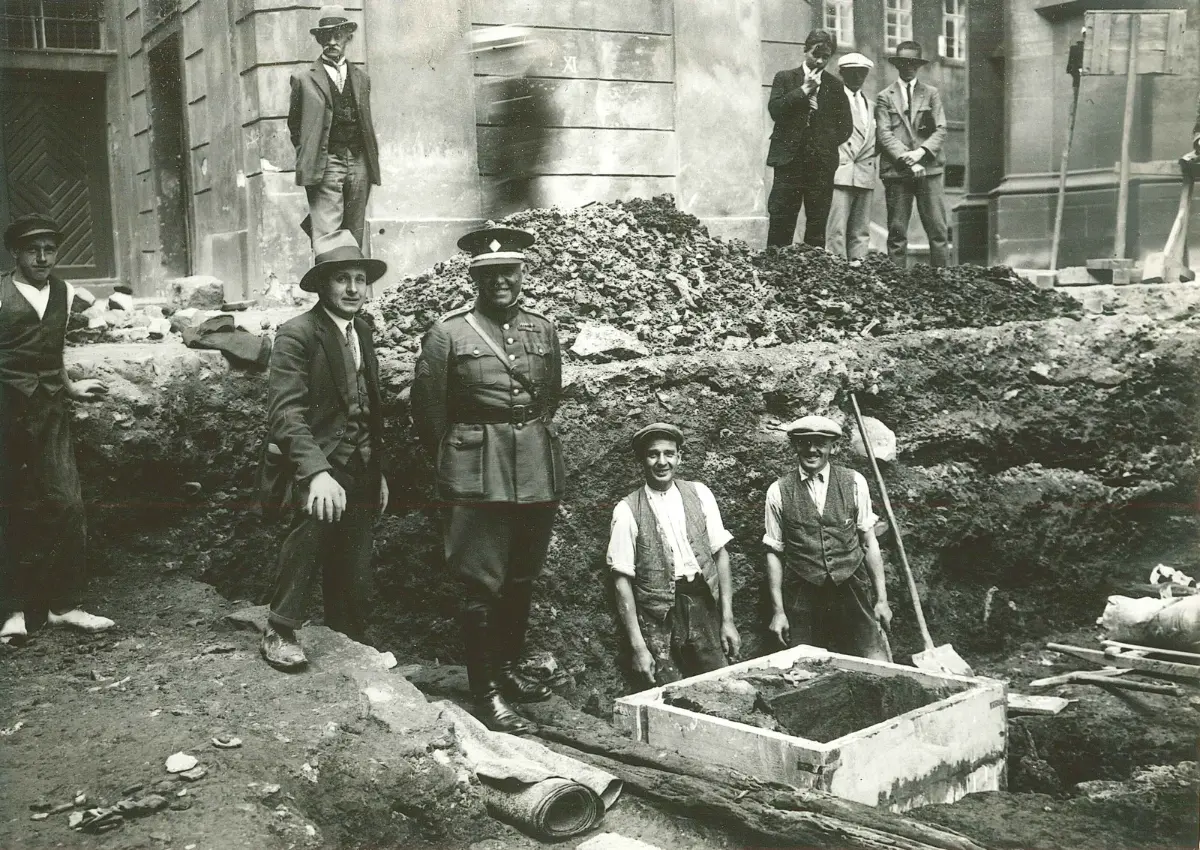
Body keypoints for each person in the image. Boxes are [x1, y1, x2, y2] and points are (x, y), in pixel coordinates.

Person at [411, 226, 565, 735]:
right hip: (476, 470)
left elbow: (549, 399)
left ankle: (505, 669)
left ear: (522, 273)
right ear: (475, 276)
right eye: (490, 273)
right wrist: (462, 456)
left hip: (534, 469)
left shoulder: (543, 330)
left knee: (521, 580)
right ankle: (486, 691)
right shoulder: (448, 334)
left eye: (509, 271)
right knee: (481, 584)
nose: (501, 280)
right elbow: (430, 413)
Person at [258, 230, 389, 671]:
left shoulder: (362, 332)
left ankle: (352, 638)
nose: (354, 289)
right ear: (322, 286)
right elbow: (286, 414)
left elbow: (367, 406)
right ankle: (280, 628)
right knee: (312, 529)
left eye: (359, 279)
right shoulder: (297, 335)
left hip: (359, 462)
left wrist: (378, 469)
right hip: (312, 462)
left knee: (356, 556)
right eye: (342, 280)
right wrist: (315, 473)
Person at [0, 213, 111, 644]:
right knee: (9, 506)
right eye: (33, 249)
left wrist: (70, 386)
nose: (43, 257)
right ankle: (10, 611)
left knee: (67, 503)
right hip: (5, 409)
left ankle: (63, 605)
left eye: (50, 249)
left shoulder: (64, 291)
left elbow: (55, 349)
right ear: (15, 253)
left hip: (48, 410)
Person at [607, 423, 739, 689]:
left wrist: (728, 621)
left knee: (723, 685)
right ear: (641, 460)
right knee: (668, 692)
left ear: (680, 456)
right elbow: (621, 581)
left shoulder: (700, 494)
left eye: (669, 453)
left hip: (703, 604)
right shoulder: (627, 510)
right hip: (659, 616)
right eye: (653, 454)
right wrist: (638, 648)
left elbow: (720, 555)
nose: (662, 461)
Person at [763, 416, 892, 661]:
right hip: (803, 593)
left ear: (834, 447)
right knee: (806, 667)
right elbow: (774, 552)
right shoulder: (778, 491)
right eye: (804, 442)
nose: (812, 449)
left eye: (820, 442)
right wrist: (778, 612)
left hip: (850, 587)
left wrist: (882, 600)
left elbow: (868, 542)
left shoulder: (854, 482)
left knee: (875, 661)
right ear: (795, 446)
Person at [289, 5, 381, 251]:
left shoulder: (362, 79)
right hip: (326, 163)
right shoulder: (303, 79)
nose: (332, 41)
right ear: (319, 39)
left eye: (337, 35)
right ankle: (328, 289)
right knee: (327, 236)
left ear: (347, 37)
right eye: (326, 36)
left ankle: (351, 288)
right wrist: (312, 154)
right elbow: (295, 126)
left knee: (354, 234)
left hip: (359, 162)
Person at [766, 29, 854, 248]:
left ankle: (811, 276)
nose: (820, 61)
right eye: (816, 55)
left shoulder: (835, 86)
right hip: (789, 163)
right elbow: (775, 109)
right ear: (805, 51)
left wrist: (822, 144)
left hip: (820, 165)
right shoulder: (785, 78)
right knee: (781, 221)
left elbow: (846, 127)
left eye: (826, 57)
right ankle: (775, 271)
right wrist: (804, 90)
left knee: (816, 226)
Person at [875, 41, 949, 267]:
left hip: (929, 169)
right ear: (897, 65)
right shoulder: (884, 96)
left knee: (938, 230)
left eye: (912, 63)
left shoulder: (931, 94)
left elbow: (941, 128)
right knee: (897, 232)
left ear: (918, 65)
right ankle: (897, 286)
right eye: (903, 63)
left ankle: (942, 282)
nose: (908, 67)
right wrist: (908, 160)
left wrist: (920, 154)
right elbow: (884, 134)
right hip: (898, 172)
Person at [471, 26, 554, 219]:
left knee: (511, 218)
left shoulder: (526, 86)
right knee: (529, 216)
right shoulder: (512, 85)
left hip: (519, 169)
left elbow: (537, 127)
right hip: (514, 169)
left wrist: (521, 166)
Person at [826, 53, 878, 261]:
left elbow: (877, 140)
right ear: (842, 73)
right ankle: (837, 274)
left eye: (862, 73)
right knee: (836, 230)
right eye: (852, 72)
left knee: (860, 231)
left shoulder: (871, 105)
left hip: (864, 173)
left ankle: (858, 272)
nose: (858, 77)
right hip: (840, 171)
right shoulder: (831, 100)